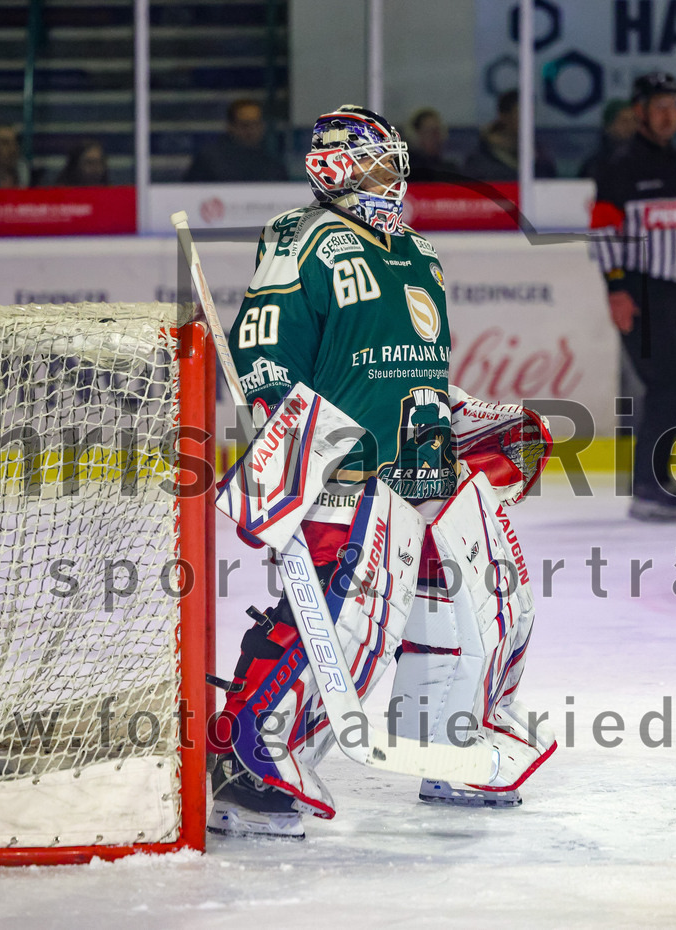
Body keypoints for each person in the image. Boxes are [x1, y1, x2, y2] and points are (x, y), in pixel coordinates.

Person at [206, 105, 556, 839]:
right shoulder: (302, 238)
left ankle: (450, 741)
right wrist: (289, 444)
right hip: (345, 469)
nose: (392, 176)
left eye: (393, 161)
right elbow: (266, 352)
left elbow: (421, 364)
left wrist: (464, 413)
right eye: (374, 162)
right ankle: (250, 761)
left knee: (479, 607)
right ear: (332, 164)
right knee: (343, 623)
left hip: (424, 466)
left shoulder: (420, 252)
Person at [589, 72, 676, 522]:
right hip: (641, 290)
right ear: (641, 111)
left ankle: (657, 478)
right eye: (660, 106)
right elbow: (604, 231)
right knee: (666, 380)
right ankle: (647, 484)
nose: (669, 114)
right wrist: (617, 289)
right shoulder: (619, 166)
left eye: (674, 105)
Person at [183, 98, 288, 182]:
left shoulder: (273, 162)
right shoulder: (210, 161)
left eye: (256, 124)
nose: (251, 131)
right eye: (245, 125)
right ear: (231, 126)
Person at [463, 89, 556, 181]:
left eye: (531, 115)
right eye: (521, 115)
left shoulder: (540, 157)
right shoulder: (479, 161)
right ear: (504, 116)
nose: (528, 121)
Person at [577, 99, 636, 180]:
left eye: (634, 121)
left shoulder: (644, 160)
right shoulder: (595, 167)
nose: (630, 126)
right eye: (624, 121)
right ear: (609, 126)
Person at [405, 107, 458, 181]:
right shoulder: (406, 170)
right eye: (430, 132)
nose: (437, 137)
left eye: (438, 131)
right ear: (416, 135)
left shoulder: (450, 169)